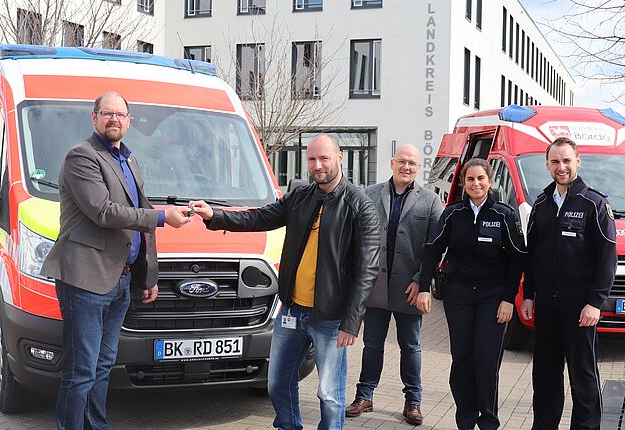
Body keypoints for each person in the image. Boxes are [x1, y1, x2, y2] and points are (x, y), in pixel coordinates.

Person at [189, 134, 381, 430]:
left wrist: (352, 322)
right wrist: (216, 216)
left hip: (331, 319)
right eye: (312, 159)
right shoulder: (301, 196)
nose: (317, 166)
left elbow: (368, 269)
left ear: (340, 157)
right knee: (277, 383)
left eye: (324, 158)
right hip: (292, 311)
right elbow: (260, 218)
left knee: (329, 394)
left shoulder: (360, 206)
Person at [40, 92, 193, 430]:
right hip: (86, 281)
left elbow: (141, 215)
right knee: (81, 371)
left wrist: (148, 276)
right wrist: (164, 217)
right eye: (107, 113)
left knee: (102, 366)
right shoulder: (81, 156)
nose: (114, 119)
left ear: (129, 121)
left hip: (120, 281)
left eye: (120, 114)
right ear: (94, 117)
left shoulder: (129, 159)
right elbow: (104, 212)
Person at [418, 158, 525, 430]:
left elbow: (517, 259)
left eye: (480, 178)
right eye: (470, 179)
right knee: (462, 359)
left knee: (486, 361)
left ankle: (488, 421)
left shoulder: (504, 215)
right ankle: (465, 420)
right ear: (464, 183)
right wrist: (423, 288)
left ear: (490, 181)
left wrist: (508, 299)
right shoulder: (453, 213)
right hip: (459, 296)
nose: (475, 184)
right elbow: (433, 249)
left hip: (493, 298)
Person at [520, 137, 617, 430]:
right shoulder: (541, 203)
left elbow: (607, 257)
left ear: (578, 161)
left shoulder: (594, 204)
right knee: (545, 375)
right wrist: (529, 295)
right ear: (547, 165)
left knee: (583, 375)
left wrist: (595, 302)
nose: (561, 167)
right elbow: (532, 254)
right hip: (546, 305)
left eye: (566, 161)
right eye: (555, 162)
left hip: (580, 306)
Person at [345, 144, 443, 426]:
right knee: (372, 344)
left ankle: (413, 401)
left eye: (412, 163)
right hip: (375, 286)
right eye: (402, 161)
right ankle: (364, 396)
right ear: (392, 163)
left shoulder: (430, 201)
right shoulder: (370, 194)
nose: (406, 167)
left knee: (411, 347)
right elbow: (356, 237)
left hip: (409, 288)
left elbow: (437, 247)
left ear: (419, 167)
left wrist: (420, 281)